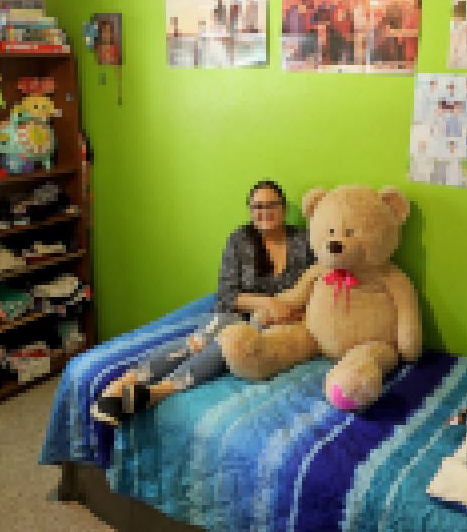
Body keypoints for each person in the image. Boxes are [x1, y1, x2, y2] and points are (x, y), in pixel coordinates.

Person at [91, 181, 316, 425]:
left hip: (270, 324)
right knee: (200, 341)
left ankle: (157, 392)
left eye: (271, 205)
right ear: (250, 211)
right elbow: (227, 294)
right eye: (257, 207)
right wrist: (268, 303)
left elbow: (317, 284)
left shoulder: (303, 241)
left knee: (225, 348)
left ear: (283, 208)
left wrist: (294, 312)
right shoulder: (240, 240)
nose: (264, 212)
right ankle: (122, 384)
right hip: (236, 311)